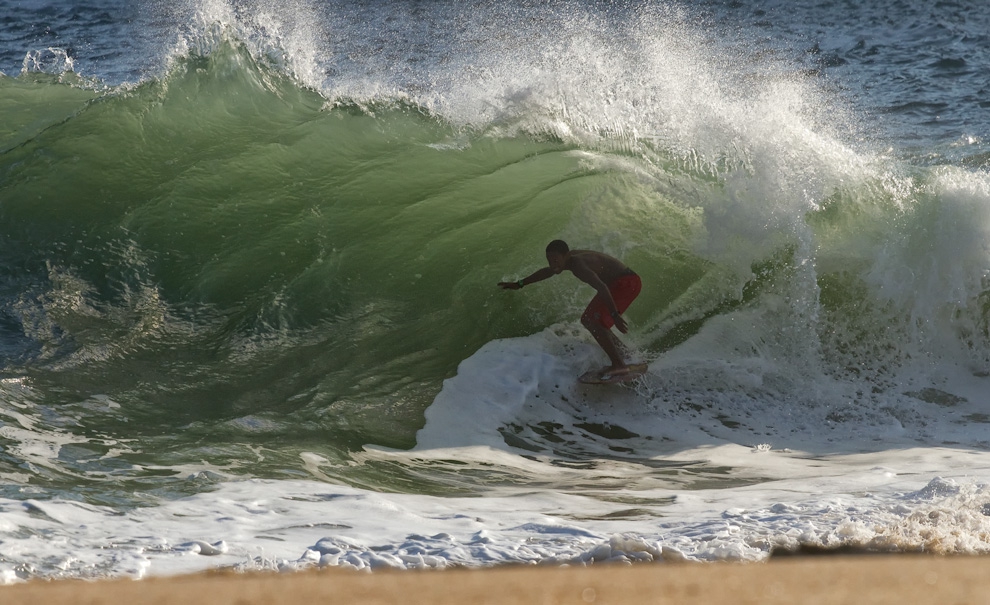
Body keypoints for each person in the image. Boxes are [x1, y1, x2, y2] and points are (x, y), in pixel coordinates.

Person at [498, 240, 642, 378]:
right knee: (591, 320)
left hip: (626, 283)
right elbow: (547, 272)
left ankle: (619, 365)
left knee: (591, 320)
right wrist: (520, 283)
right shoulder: (569, 258)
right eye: (549, 260)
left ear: (565, 256)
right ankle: (625, 355)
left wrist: (614, 315)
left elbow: (601, 287)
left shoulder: (578, 265)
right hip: (624, 281)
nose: (552, 264)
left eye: (555, 260)